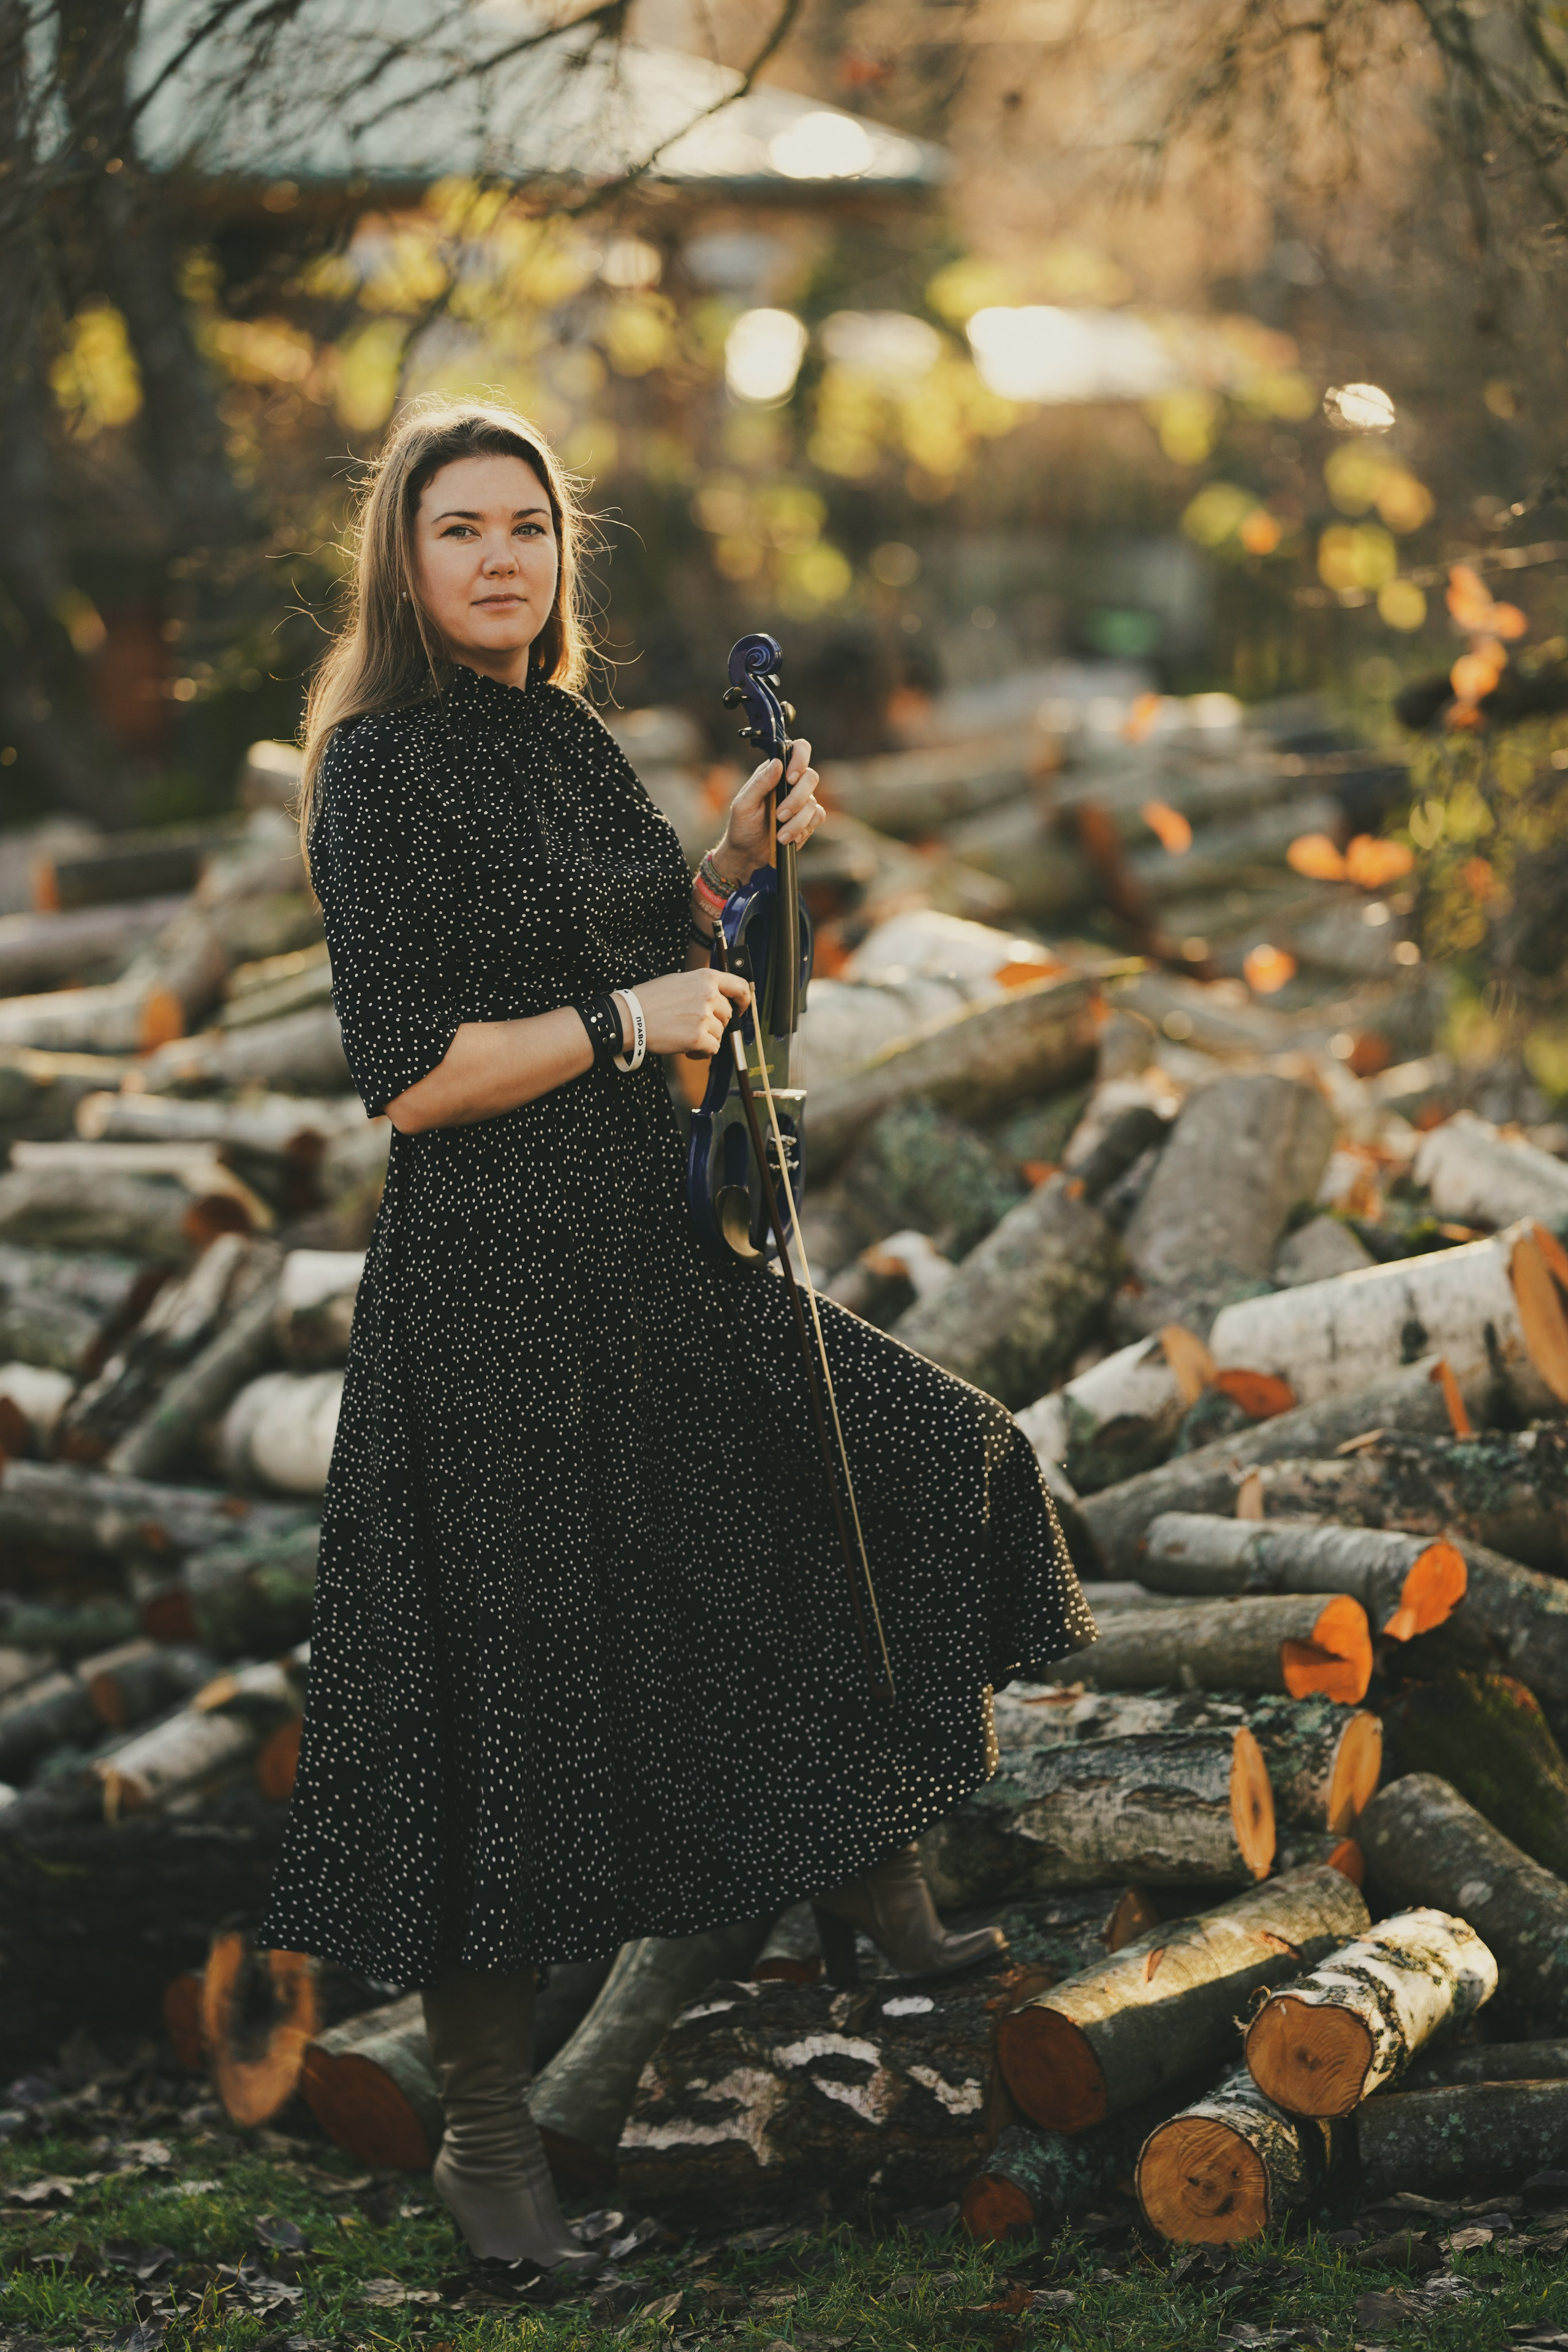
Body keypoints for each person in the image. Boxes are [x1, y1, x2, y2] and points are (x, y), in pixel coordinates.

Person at [255, 398, 1095, 2277]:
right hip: (493, 1302)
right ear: (404, 562)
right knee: (517, 1717)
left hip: (657, 1251)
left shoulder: (563, 739)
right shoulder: (379, 772)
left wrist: (730, 859)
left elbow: (683, 970)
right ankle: (488, 2148)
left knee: (906, 1463)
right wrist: (636, 1010)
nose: (501, 559)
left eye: (529, 529)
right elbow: (413, 1076)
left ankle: (868, 1867)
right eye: (462, 529)